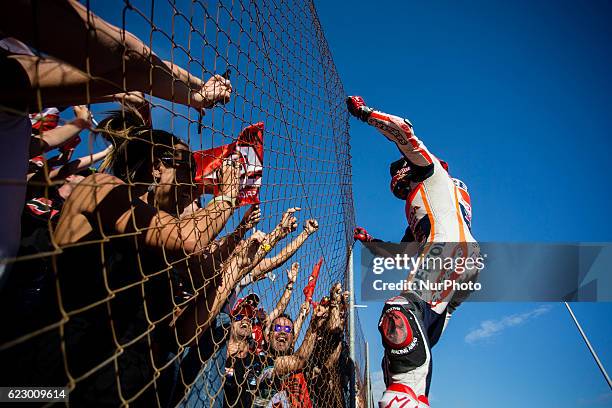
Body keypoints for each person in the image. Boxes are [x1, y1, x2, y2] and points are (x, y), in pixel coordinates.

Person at [347, 96, 481, 407]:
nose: (393, 177)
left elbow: (404, 133)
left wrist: (366, 114)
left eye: (397, 169)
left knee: (399, 311)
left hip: (448, 251)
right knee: (408, 341)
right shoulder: (426, 203)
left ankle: (407, 399)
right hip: (462, 263)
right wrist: (369, 242)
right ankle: (413, 394)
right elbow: (402, 252)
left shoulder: (430, 172)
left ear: (408, 167)